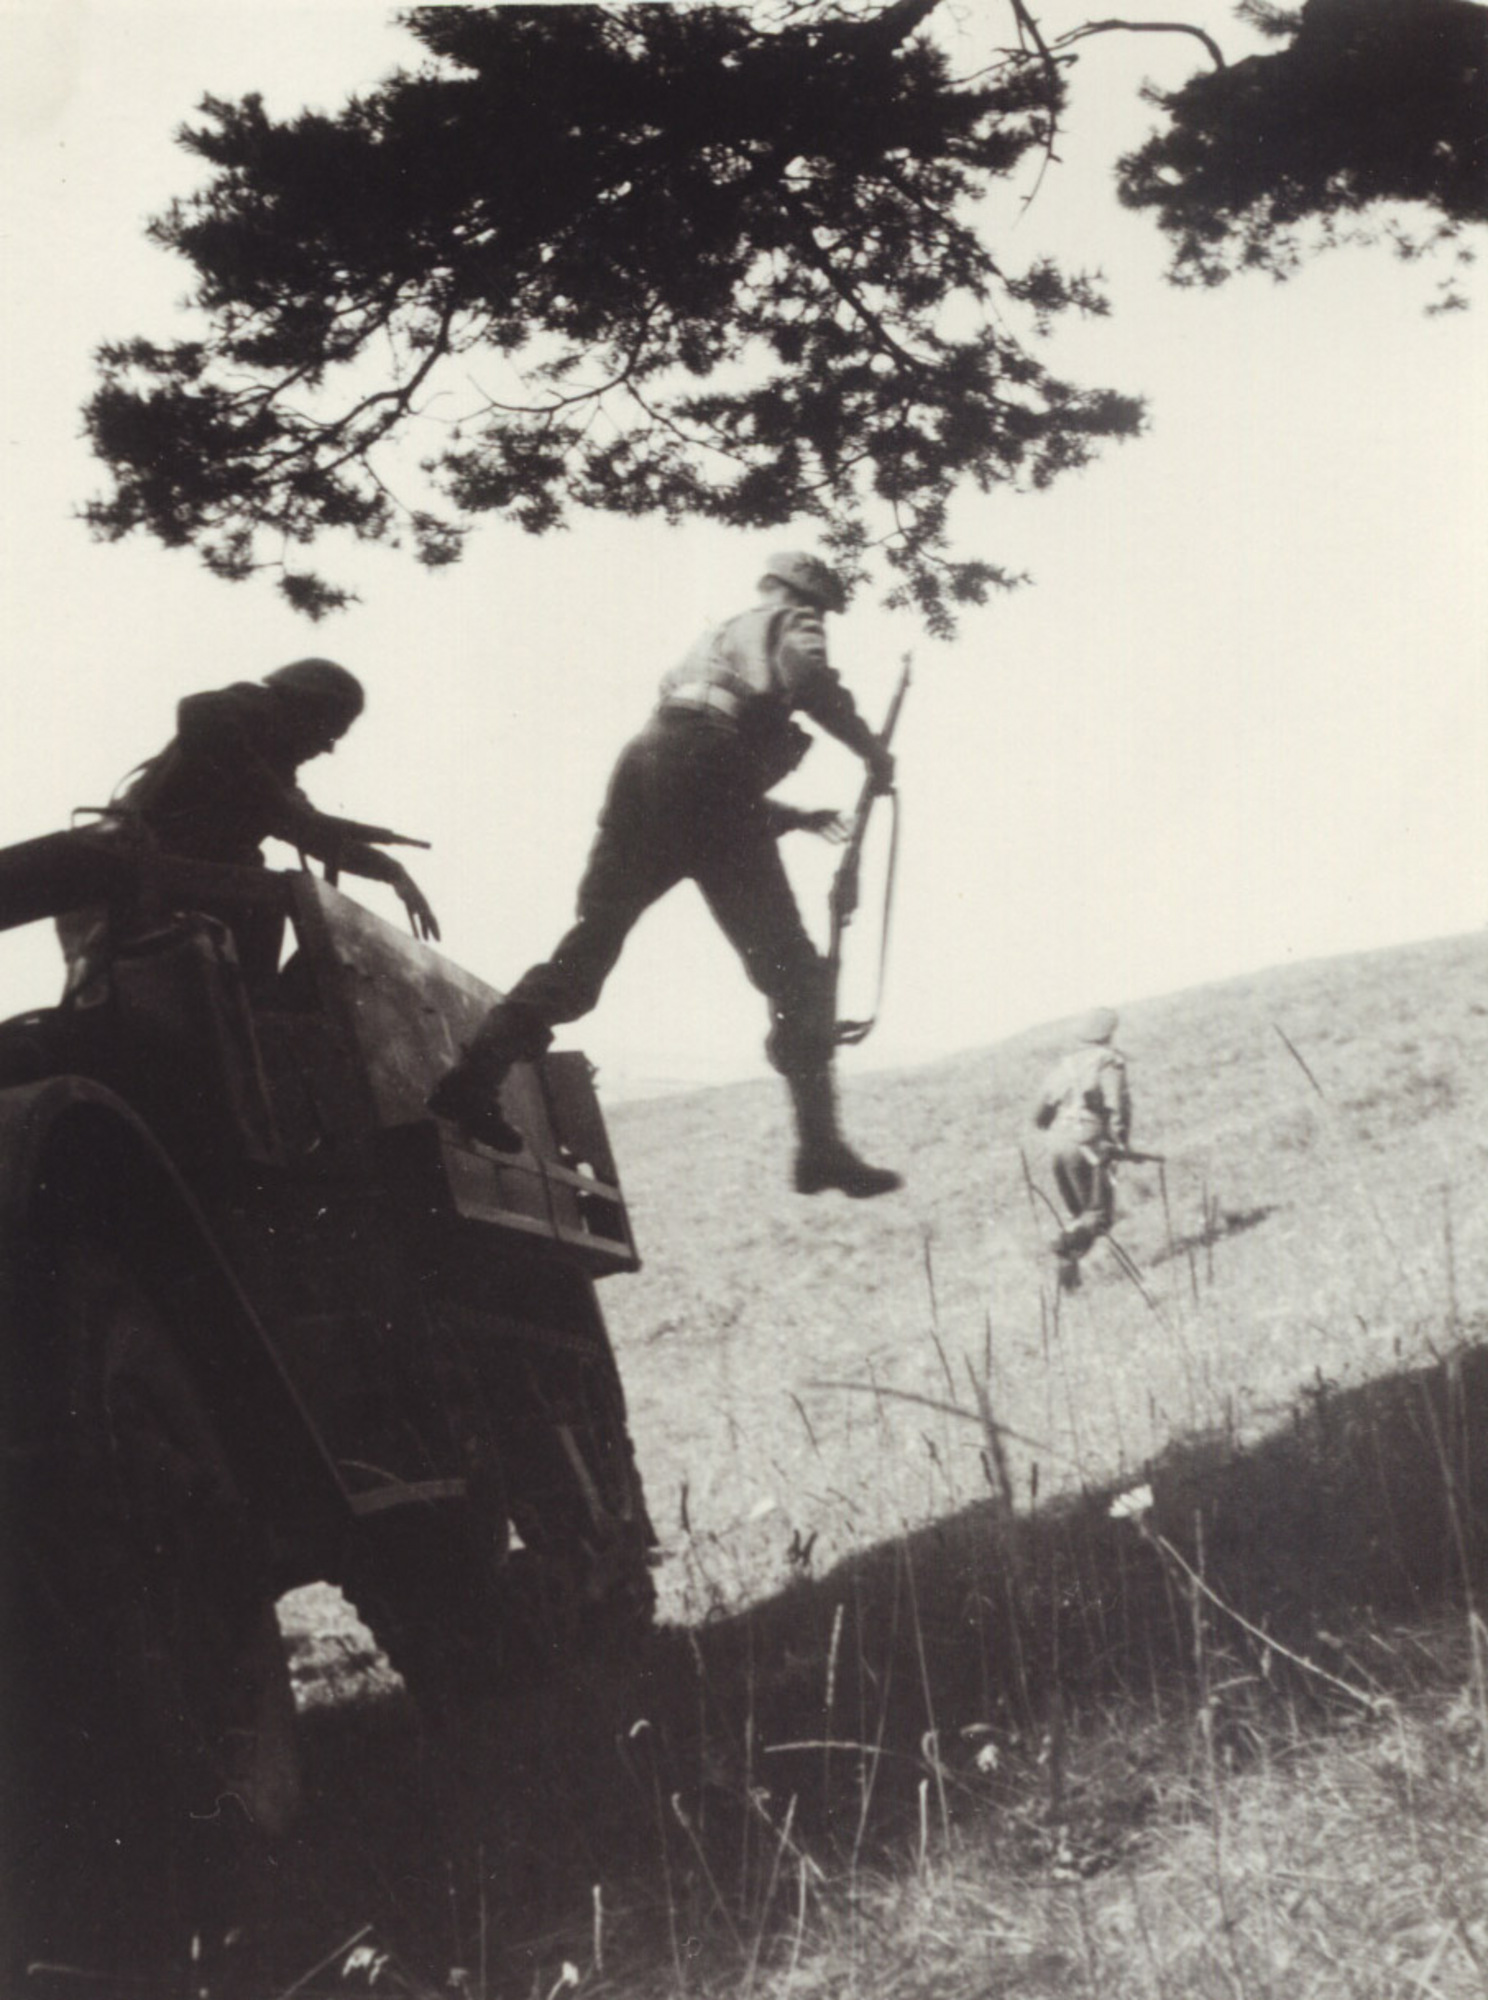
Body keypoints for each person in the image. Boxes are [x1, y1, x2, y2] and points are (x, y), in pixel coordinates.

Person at [429, 551, 902, 1197]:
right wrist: (873, 753)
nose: (818, 620)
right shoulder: (791, 622)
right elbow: (810, 687)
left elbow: (695, 784)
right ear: (802, 599)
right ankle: (821, 1148)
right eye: (818, 609)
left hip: (646, 767)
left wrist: (793, 818)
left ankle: (474, 1079)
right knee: (794, 972)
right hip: (708, 772)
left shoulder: (713, 644)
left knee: (589, 947)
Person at [60, 658, 438, 996]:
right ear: (301, 708)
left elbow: (308, 830)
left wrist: (390, 870)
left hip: (178, 903)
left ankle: (259, 1014)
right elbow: (200, 711)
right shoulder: (237, 713)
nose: (328, 748)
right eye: (329, 732)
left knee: (263, 922)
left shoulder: (271, 773)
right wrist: (282, 806)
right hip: (131, 898)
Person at [1033, 1006, 1132, 1285]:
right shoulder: (1108, 1062)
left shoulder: (1064, 1066)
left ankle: (1070, 1285)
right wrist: (1117, 1142)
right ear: (1109, 1034)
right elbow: (1117, 1107)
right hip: (1089, 1145)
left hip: (1057, 1144)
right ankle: (1063, 1247)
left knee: (1081, 1215)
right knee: (1098, 1217)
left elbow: (1039, 1117)